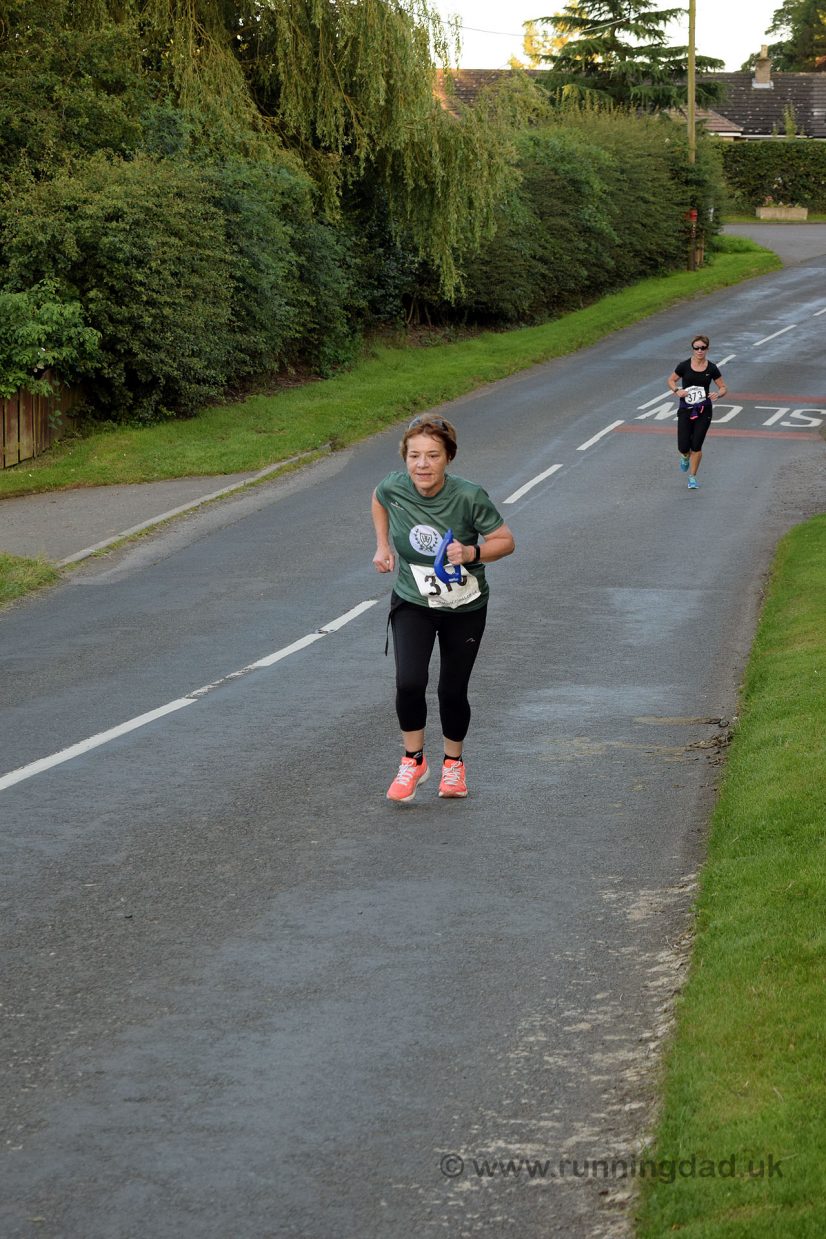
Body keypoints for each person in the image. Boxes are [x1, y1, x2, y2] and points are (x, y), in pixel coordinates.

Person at [371, 415, 515, 802]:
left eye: (432, 455)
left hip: (464, 605)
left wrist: (471, 552)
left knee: (452, 689)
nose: (422, 464)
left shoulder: (469, 496)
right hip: (413, 600)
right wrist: (383, 546)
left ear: (448, 458)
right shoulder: (395, 486)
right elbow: (378, 498)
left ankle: (453, 766)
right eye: (414, 456)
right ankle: (414, 760)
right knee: (409, 682)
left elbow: (505, 540)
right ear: (405, 459)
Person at [668, 334, 727, 490]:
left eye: (703, 348)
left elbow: (723, 387)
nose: (700, 351)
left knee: (697, 445)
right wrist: (677, 391)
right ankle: (684, 456)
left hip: (703, 409)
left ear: (707, 349)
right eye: (697, 348)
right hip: (686, 409)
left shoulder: (712, 368)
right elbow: (671, 380)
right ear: (693, 349)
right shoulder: (684, 366)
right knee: (683, 446)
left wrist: (718, 394)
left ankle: (692, 477)